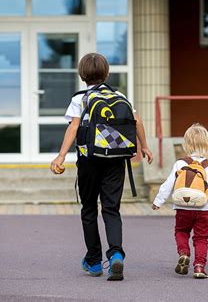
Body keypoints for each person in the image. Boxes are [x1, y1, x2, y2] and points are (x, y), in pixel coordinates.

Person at [50, 52, 154, 281]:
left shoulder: (80, 98)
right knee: (111, 209)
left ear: (82, 75)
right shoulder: (119, 95)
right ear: (107, 73)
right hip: (116, 160)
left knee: (89, 209)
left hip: (89, 160)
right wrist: (144, 146)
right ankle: (116, 254)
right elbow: (137, 120)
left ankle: (94, 261)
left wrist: (61, 156)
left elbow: (74, 127)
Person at [152, 123, 208, 279]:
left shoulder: (180, 163)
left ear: (187, 144)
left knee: (181, 231)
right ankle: (199, 267)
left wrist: (158, 201)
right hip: (203, 209)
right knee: (201, 238)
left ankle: (184, 253)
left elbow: (169, 184)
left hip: (182, 207)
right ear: (206, 143)